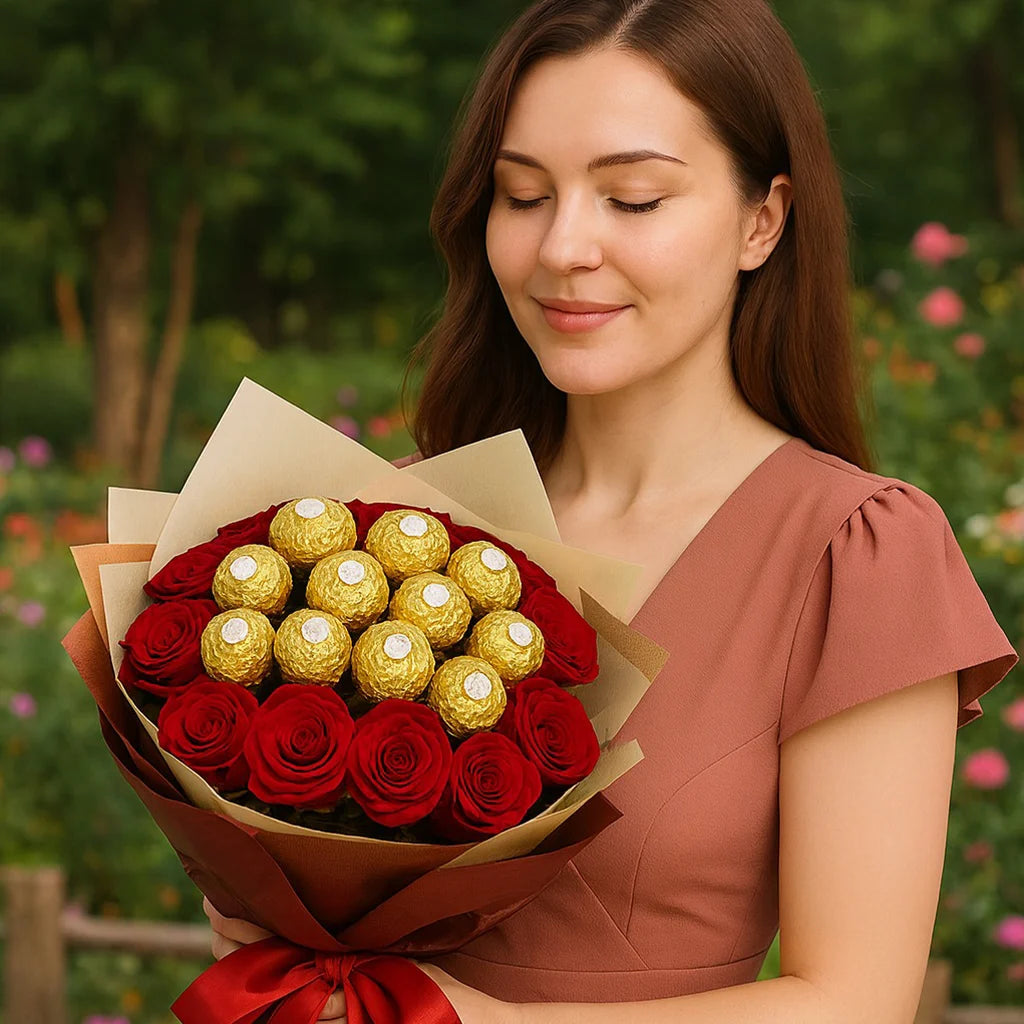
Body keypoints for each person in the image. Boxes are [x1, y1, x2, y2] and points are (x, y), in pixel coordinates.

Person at [204, 0, 1019, 1020]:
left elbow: (853, 999)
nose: (564, 247)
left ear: (762, 220)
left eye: (632, 199)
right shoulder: (388, 531)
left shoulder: (852, 551)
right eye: (522, 194)